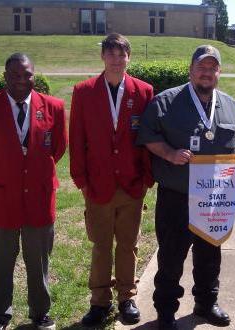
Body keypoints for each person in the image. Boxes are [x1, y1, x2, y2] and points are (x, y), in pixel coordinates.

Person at [137, 45, 235, 330]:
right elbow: (147, 134)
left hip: (214, 196)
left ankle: (206, 302)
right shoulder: (166, 102)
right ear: (191, 70)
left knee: (210, 252)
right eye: (202, 67)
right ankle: (166, 310)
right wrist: (168, 153)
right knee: (171, 256)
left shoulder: (229, 105)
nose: (207, 72)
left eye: (213, 68)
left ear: (219, 73)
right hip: (177, 195)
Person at [0, 53, 67, 330]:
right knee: (0, 262)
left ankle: (40, 313)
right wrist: (2, 171)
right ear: (5, 77)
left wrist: (33, 170)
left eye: (27, 75)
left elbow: (57, 148)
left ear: (35, 75)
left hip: (39, 197)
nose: (21, 80)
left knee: (39, 261)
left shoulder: (54, 107)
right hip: (1, 198)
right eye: (15, 75)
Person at [69, 33, 154, 326]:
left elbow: (147, 139)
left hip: (132, 185)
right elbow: (77, 138)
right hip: (97, 184)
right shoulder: (84, 91)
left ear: (129, 58)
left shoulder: (143, 91)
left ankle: (126, 297)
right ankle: (99, 302)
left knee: (128, 244)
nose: (117, 60)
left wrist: (146, 180)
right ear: (103, 57)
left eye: (122, 55)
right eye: (111, 54)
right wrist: (81, 180)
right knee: (101, 244)